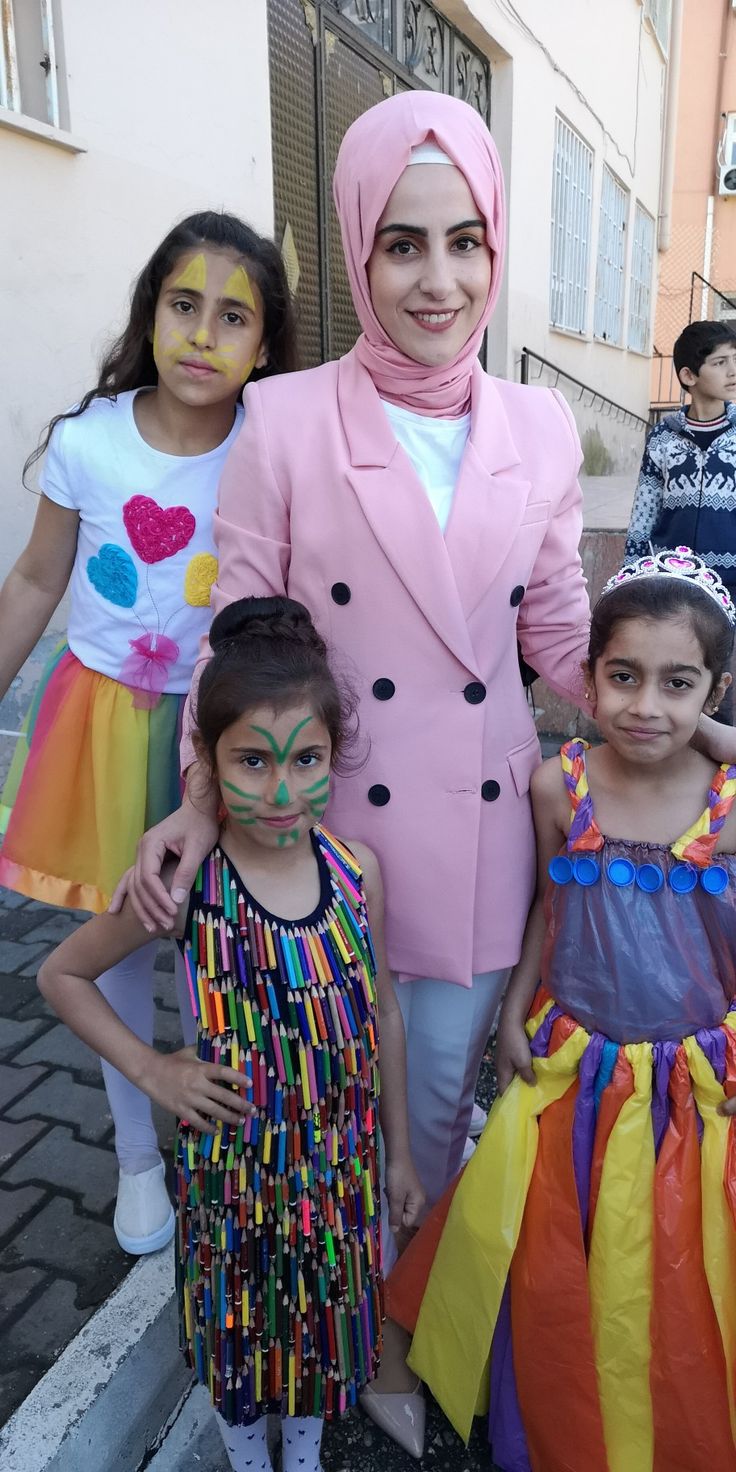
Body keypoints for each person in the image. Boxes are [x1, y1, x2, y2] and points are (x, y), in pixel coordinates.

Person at [115, 95, 735, 1455]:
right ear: (356, 247)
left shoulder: (536, 428)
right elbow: (245, 633)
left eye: (465, 241)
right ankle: (313, 1319)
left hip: (475, 845)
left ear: (499, 245)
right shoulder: (279, 420)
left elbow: (561, 641)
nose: (439, 280)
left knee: (445, 1105)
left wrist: (694, 725)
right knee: (319, 1107)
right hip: (313, 846)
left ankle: (400, 1339)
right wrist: (195, 801)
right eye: (402, 244)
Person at [37, 594, 423, 1472]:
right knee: (241, 1342)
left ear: (336, 756)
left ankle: (306, 1457)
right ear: (206, 764)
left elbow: (385, 1011)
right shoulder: (186, 885)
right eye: (252, 761)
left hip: (338, 1172)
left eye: (308, 760)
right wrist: (153, 1071)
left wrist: (399, 1155)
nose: (282, 791)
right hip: (235, 1183)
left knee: (325, 1329)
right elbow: (61, 973)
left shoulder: (358, 872)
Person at [388, 548, 736, 1471]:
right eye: (621, 676)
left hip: (697, 1084)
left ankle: (672, 1412)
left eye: (678, 683)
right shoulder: (559, 785)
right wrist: (512, 1010)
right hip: (573, 1064)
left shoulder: (731, 800)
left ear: (717, 688)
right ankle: (559, 1400)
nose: (646, 706)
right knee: (559, 1250)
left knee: (679, 1258)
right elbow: (547, 904)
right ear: (586, 679)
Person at [0, 212, 296, 1255]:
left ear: (265, 344)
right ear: (150, 313)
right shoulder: (87, 440)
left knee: (221, 931)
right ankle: (135, 1155)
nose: (202, 335)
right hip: (104, 720)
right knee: (117, 934)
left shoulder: (273, 445)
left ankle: (226, 1111)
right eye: (183, 306)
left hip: (220, 730)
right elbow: (37, 578)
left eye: (231, 316)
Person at [626, 320, 736, 720]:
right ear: (688, 375)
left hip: (732, 588)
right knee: (676, 684)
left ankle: (723, 779)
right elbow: (644, 511)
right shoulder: (663, 437)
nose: (732, 371)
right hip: (676, 586)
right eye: (721, 362)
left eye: (735, 361)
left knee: (724, 693)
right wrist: (633, 576)